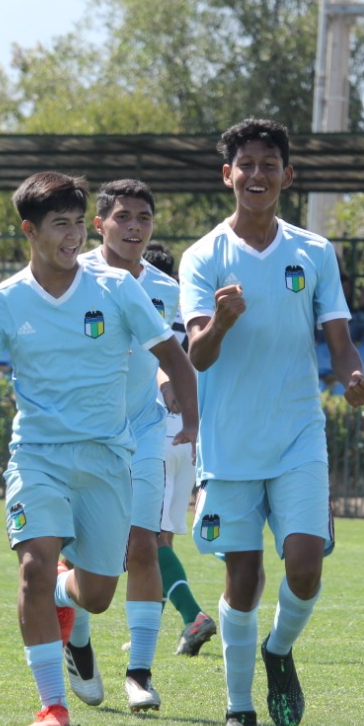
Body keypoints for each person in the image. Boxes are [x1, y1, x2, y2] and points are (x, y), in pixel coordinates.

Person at [0, 172, 197, 726]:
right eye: (61, 225)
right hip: (38, 455)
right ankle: (52, 704)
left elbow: (175, 358)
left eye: (78, 224)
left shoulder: (118, 289)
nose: (74, 236)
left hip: (107, 458)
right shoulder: (4, 301)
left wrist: (192, 421)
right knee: (32, 566)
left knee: (96, 596)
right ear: (30, 231)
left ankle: (60, 592)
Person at [179, 118, 364, 726]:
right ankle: (238, 712)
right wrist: (221, 322)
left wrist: (353, 378)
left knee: (305, 567)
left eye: (269, 164)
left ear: (287, 176)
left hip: (298, 434)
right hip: (230, 443)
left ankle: (279, 649)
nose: (257, 174)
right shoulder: (203, 256)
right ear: (227, 175)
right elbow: (198, 356)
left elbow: (340, 343)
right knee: (242, 580)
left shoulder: (314, 252)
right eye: (246, 164)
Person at [57, 180, 201, 714]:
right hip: (83, 433)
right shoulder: (73, 276)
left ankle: (139, 675)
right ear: (100, 224)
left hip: (143, 430)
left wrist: (185, 412)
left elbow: (171, 358)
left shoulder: (166, 289)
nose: (134, 227)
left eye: (144, 217)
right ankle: (77, 641)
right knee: (82, 556)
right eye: (123, 217)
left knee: (145, 545)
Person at [142, 241, 216, 658]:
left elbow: (154, 363)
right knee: (160, 540)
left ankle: (193, 615)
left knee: (146, 539)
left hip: (155, 432)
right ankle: (148, 630)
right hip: (189, 435)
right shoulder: (188, 308)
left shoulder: (140, 303)